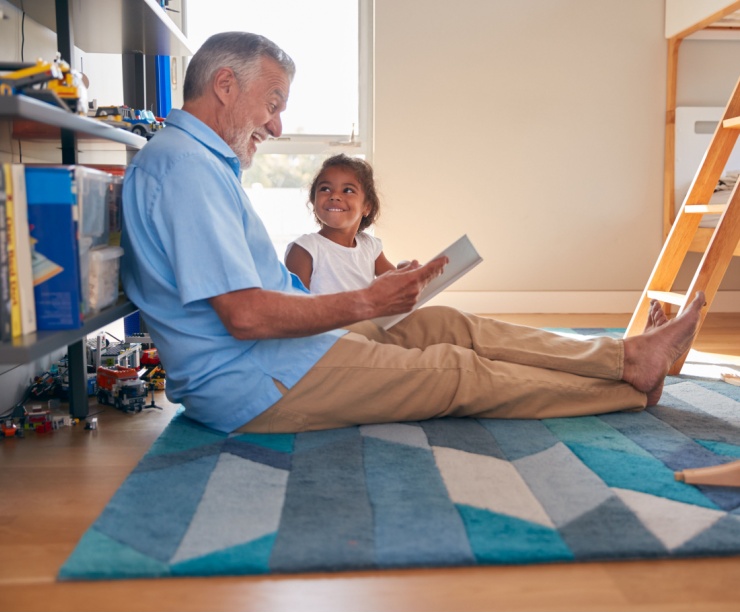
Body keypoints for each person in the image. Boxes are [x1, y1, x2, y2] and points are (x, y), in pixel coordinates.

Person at [121, 31, 705, 435]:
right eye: (272, 104)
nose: (276, 124)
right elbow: (244, 317)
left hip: (286, 353)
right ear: (225, 85)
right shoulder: (184, 169)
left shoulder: (201, 164)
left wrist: (374, 300)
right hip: (255, 383)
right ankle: (628, 387)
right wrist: (366, 301)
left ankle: (623, 357)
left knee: (444, 324)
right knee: (454, 372)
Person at [284, 154, 397, 293]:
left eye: (348, 190)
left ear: (367, 206)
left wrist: (410, 270)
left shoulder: (370, 246)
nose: (335, 196)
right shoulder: (305, 249)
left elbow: (399, 284)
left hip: (372, 315)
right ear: (314, 201)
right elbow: (294, 307)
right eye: (325, 189)